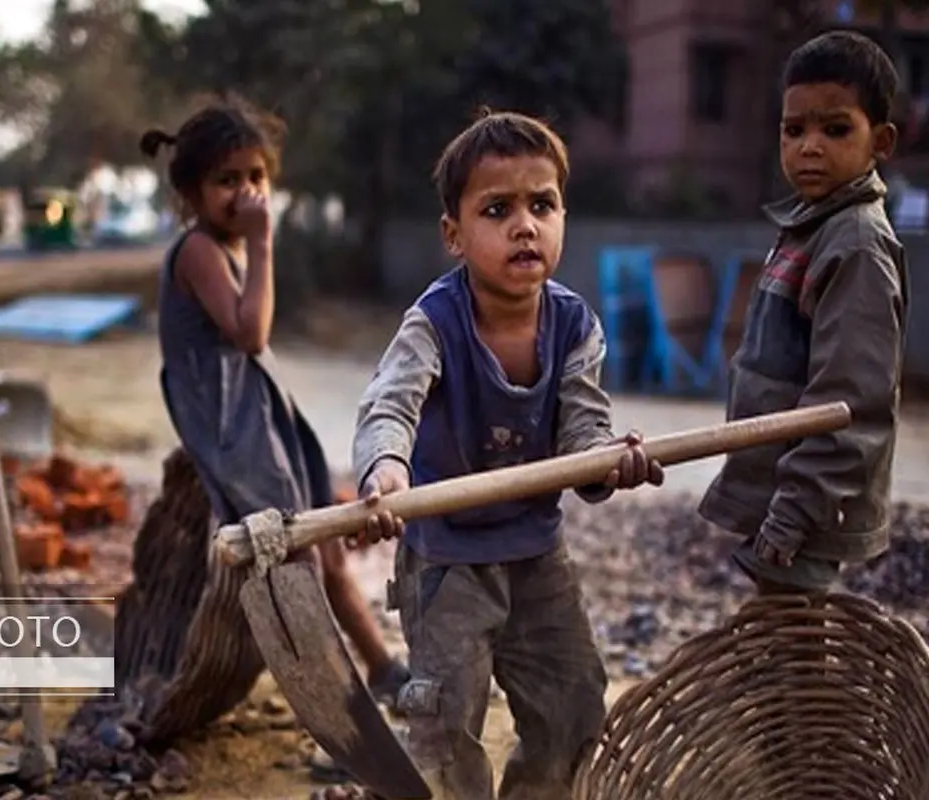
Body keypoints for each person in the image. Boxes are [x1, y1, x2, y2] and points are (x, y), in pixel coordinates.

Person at [344, 110, 664, 800]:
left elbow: (582, 432)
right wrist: (385, 472)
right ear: (454, 236)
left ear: (563, 215)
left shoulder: (576, 324)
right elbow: (388, 406)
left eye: (542, 204)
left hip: (536, 557)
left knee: (572, 707)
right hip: (448, 559)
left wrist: (610, 460)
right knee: (445, 720)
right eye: (498, 209)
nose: (525, 225)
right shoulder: (434, 322)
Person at [139, 99, 411, 719]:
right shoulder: (200, 252)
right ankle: (338, 692)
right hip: (234, 434)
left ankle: (381, 668)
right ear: (191, 192)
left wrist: (256, 246)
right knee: (298, 560)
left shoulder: (226, 247)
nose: (246, 193)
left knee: (325, 548)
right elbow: (251, 333)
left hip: (260, 421)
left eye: (256, 178)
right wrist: (264, 244)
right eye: (227, 180)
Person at [699, 30, 908, 597]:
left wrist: (794, 511)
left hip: (811, 504)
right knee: (782, 643)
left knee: (794, 651)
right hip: (783, 491)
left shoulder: (856, 245)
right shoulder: (810, 227)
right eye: (794, 130)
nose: (809, 146)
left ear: (881, 140)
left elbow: (848, 403)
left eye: (835, 129)